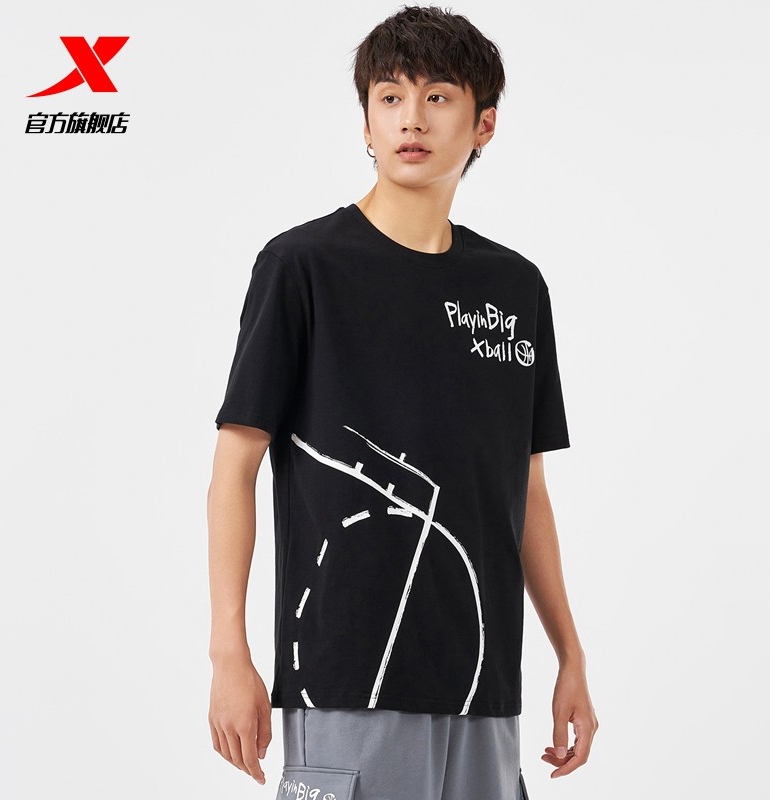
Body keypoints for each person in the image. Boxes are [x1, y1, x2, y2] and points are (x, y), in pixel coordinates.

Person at [207, 5, 598, 798]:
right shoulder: (302, 267)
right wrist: (229, 655)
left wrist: (571, 656)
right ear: (367, 123)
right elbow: (234, 469)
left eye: (437, 96)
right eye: (390, 97)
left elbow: (524, 491)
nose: (411, 119)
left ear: (484, 124)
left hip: (485, 689)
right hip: (347, 678)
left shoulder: (515, 288)